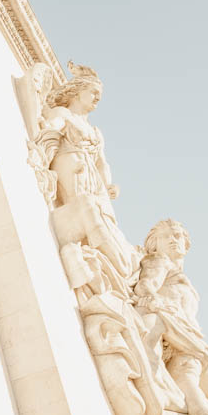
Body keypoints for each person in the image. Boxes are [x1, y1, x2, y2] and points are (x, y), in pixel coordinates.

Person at [37, 62, 135, 278]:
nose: (97, 98)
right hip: (71, 166)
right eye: (93, 92)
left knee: (100, 214)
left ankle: (107, 259)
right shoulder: (63, 112)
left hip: (94, 179)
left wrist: (109, 184)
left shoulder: (96, 131)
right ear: (78, 92)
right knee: (81, 205)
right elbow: (52, 126)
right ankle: (101, 255)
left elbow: (101, 162)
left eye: (99, 94)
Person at [135, 219, 208, 415]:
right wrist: (152, 296)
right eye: (166, 236)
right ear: (154, 243)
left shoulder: (181, 274)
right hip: (169, 322)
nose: (173, 240)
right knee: (186, 370)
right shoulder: (159, 260)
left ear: (186, 245)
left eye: (177, 236)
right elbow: (147, 283)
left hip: (190, 333)